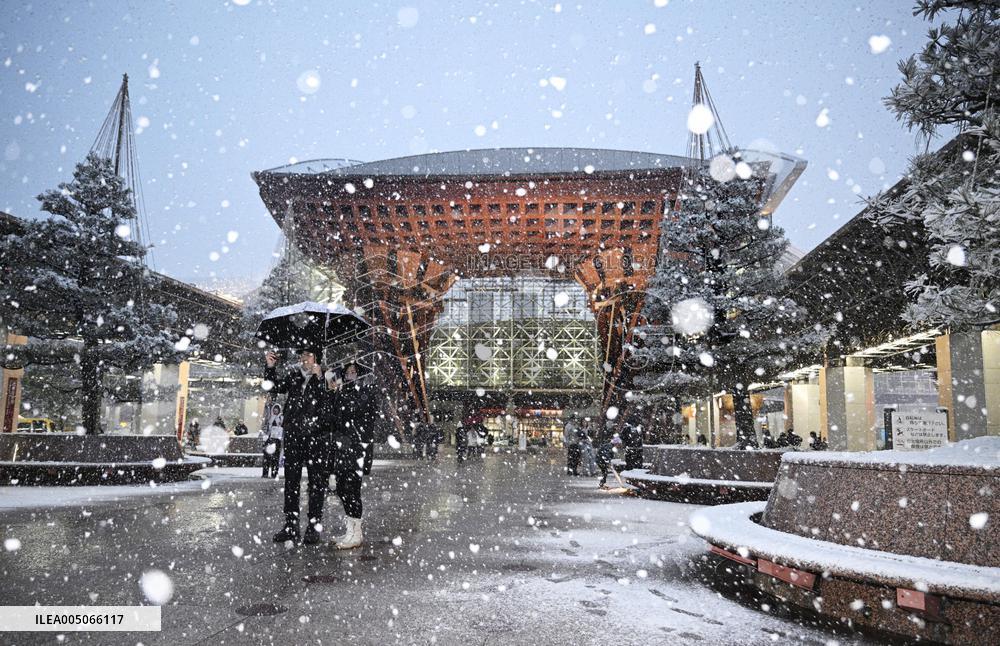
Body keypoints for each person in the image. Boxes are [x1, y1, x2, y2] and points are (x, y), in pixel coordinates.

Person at [264, 347, 330, 545]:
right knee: (291, 481)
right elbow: (273, 386)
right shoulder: (293, 376)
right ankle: (291, 525)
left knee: (316, 483)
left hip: (316, 437)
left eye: (309, 355)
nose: (305, 359)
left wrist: (320, 379)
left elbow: (330, 402)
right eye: (302, 356)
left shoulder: (328, 377)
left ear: (317, 358)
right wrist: (270, 367)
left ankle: (313, 526)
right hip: (293, 435)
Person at [327, 362, 375, 550]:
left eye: (354, 372)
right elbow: (333, 417)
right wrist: (334, 393)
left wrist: (342, 395)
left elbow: (356, 412)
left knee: (352, 489)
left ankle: (356, 532)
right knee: (341, 487)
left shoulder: (366, 391)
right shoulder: (341, 392)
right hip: (342, 447)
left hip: (357, 448)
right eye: (348, 372)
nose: (350, 375)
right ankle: (350, 529)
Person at [261, 403, 283, 479]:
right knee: (266, 457)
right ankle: (265, 473)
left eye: (277, 409)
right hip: (269, 439)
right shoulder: (269, 418)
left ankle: (274, 473)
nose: (275, 410)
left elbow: (282, 428)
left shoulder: (281, 418)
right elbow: (264, 427)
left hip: (277, 440)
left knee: (275, 458)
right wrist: (265, 435)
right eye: (274, 409)